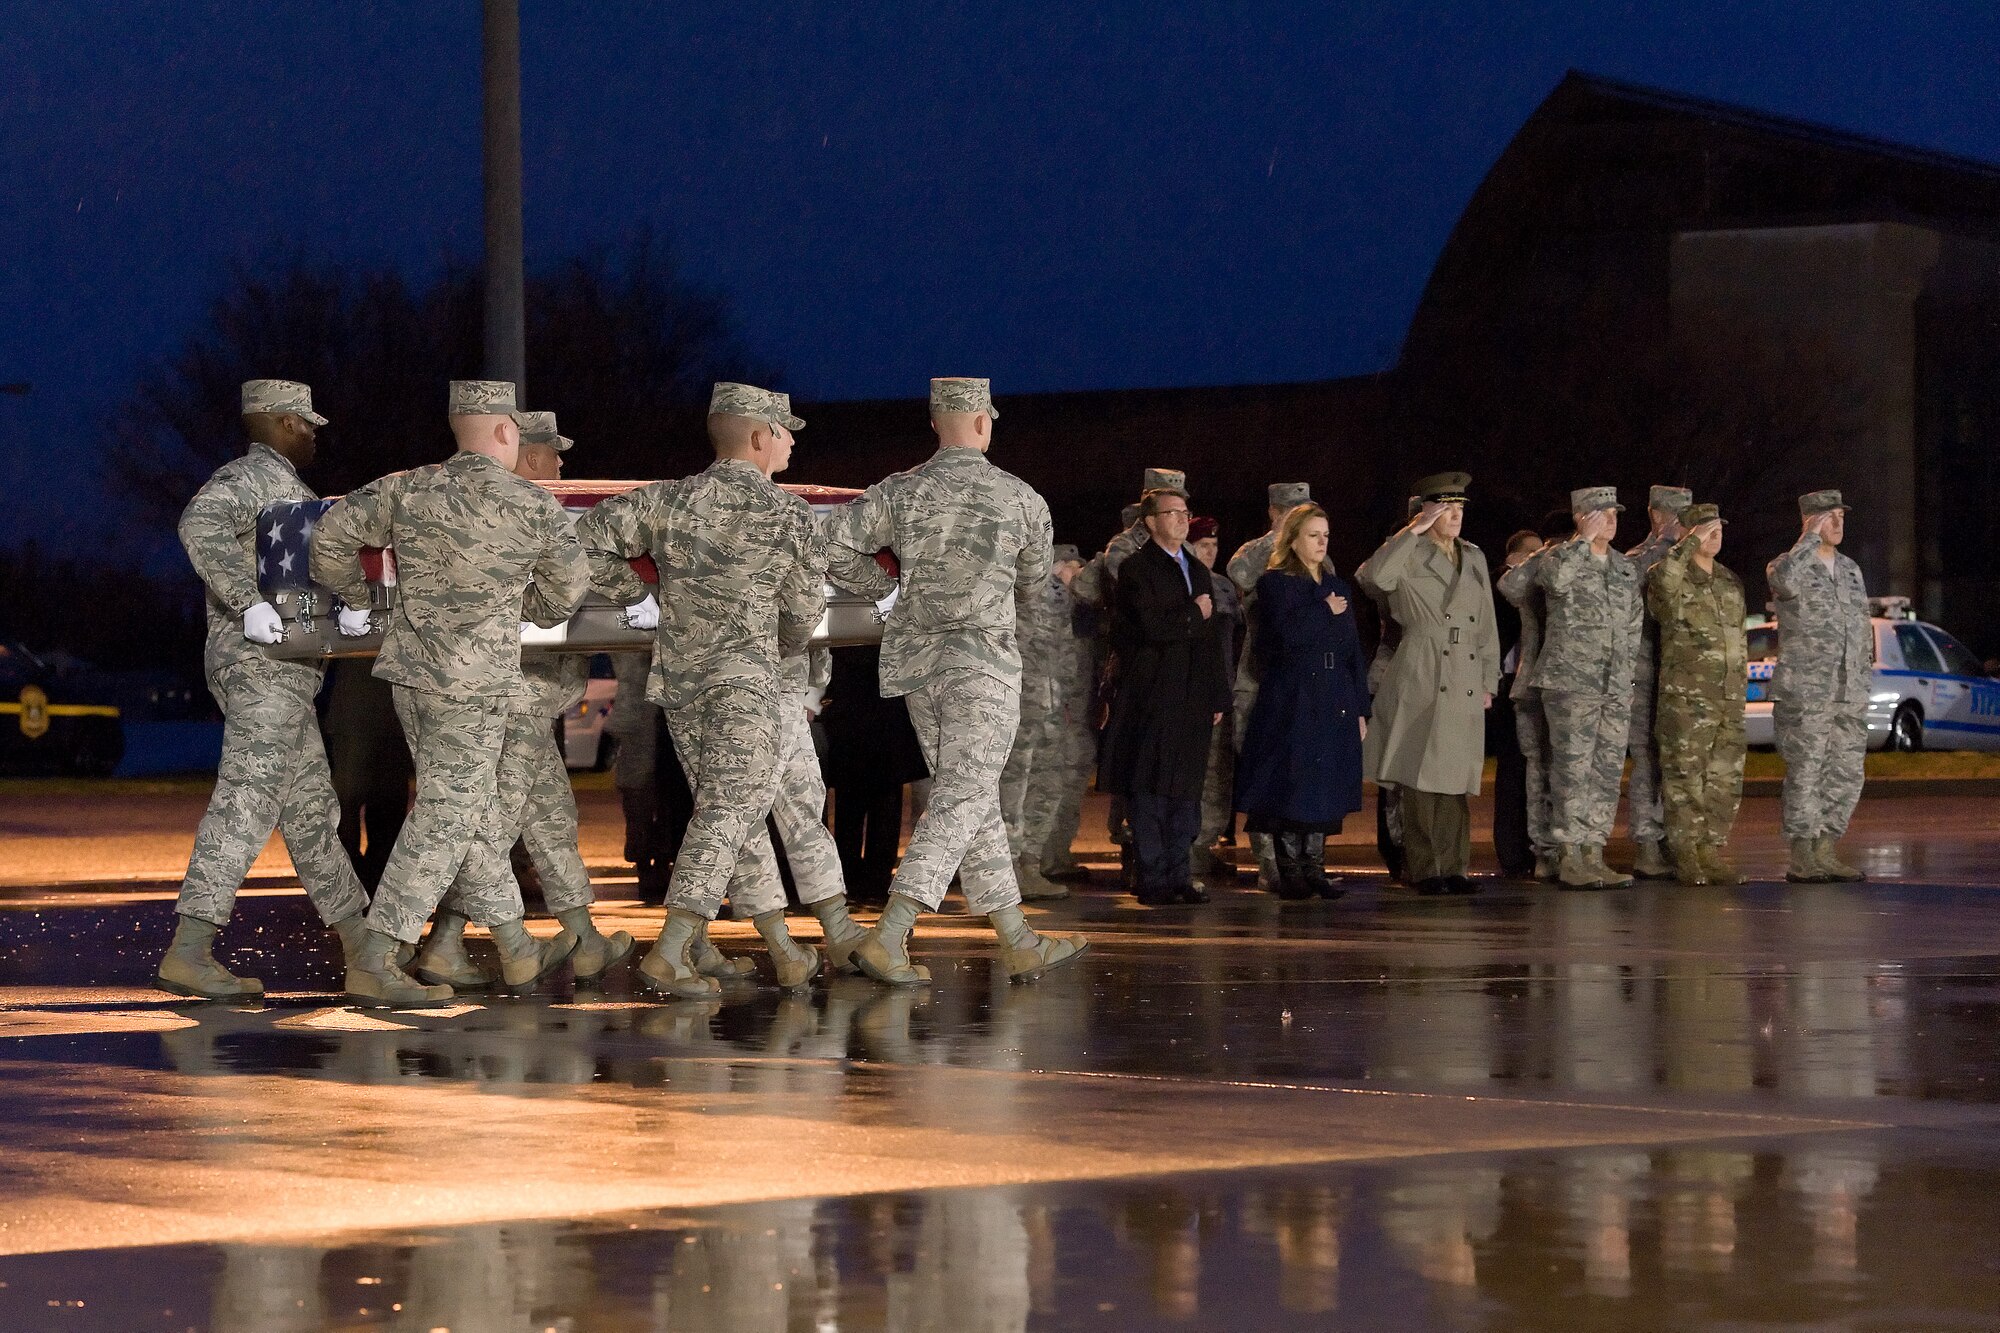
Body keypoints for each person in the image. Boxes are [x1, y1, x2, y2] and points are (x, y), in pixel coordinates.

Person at [311, 380, 592, 1005]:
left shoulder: (405, 488)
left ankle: (517, 947)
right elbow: (567, 592)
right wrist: (530, 610)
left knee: (460, 812)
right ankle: (379, 954)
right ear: (502, 431)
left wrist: (363, 600)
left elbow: (328, 537)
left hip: (413, 677)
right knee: (448, 815)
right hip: (476, 681)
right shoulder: (532, 505)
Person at [573, 382, 838, 995]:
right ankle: (670, 949)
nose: (792, 441)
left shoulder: (669, 500)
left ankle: (778, 945)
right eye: (785, 431)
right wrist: (784, 640)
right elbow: (802, 615)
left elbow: (587, 543)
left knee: (726, 812)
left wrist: (643, 597)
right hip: (747, 681)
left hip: (682, 681)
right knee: (728, 811)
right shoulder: (788, 514)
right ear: (758, 437)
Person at [823, 377, 1086, 984]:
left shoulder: (898, 492)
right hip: (982, 664)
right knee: (964, 796)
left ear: (935, 423)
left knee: (971, 797)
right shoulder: (1021, 499)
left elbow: (834, 545)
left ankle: (1017, 937)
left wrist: (889, 590)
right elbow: (1030, 585)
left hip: (917, 663)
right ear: (984, 423)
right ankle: (891, 934)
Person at [155, 378, 371, 999]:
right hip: (257, 667)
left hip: (287, 674)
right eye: (305, 424)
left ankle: (361, 942)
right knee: (246, 801)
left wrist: (342, 615)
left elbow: (298, 576)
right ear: (279, 422)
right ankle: (190, 948)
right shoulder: (248, 480)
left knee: (309, 814)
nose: (312, 435)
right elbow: (199, 525)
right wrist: (245, 601)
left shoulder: (291, 491)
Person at [407, 410, 633, 990]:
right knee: (494, 823)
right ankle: (447, 942)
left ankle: (581, 936)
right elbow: (573, 584)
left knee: (550, 819)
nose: (561, 465)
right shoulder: (517, 518)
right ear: (529, 456)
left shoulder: (520, 514)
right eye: (554, 454)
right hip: (511, 697)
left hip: (526, 696)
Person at [1354, 473, 1499, 896]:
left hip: (1465, 671)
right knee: (1418, 775)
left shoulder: (1472, 557)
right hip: (1422, 666)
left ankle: (1455, 867)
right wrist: (1412, 529)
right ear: (1427, 512)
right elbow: (1373, 578)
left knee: (1457, 777)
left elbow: (1486, 622)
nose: (1455, 517)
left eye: (1459, 509)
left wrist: (1488, 678)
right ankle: (1423, 867)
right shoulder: (1407, 550)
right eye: (1445, 509)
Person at [1096, 487, 1231, 905]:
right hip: (1153, 695)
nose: (1181, 519)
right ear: (1151, 522)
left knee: (1186, 790)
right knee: (1151, 787)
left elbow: (1209, 643)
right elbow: (1151, 627)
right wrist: (1195, 613)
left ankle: (1179, 874)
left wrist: (1216, 697)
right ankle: (1151, 876)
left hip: (1192, 696)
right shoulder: (1137, 569)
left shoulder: (1195, 567)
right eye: (1171, 513)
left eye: (1185, 512)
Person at [1233, 504, 1369, 899]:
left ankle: (1315, 867)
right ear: (1293, 539)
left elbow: (1352, 652)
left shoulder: (1336, 584)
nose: (1322, 542)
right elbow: (1282, 638)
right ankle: (1289, 869)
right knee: (1291, 780)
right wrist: (1322, 610)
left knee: (1324, 780)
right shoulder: (1276, 584)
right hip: (1293, 693)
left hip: (1333, 695)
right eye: (1313, 535)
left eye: (1326, 535)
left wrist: (1361, 707)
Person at [1520, 486, 1644, 890]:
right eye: (1601, 512)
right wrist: (1581, 541)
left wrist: (1626, 678)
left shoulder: (1625, 568)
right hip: (1571, 683)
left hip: (1613, 685)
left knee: (1606, 773)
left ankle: (1594, 851)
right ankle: (1569, 854)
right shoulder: (1559, 557)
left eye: (1614, 513)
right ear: (1581, 517)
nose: (1611, 519)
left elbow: (1633, 626)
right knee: (1571, 771)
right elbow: (1553, 583)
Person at [1767, 489, 1871, 883]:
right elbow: (1784, 582)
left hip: (1850, 689)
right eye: (1830, 517)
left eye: (1841, 516)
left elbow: (1860, 629)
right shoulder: (1788, 564)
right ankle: (1803, 853)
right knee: (1807, 770)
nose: (1838, 524)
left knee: (1846, 771)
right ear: (1810, 522)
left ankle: (1827, 847)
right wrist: (1808, 539)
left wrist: (1864, 678)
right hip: (1807, 689)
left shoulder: (1850, 569)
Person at [1646, 504, 1748, 885]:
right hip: (1687, 700)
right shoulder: (1669, 575)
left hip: (1728, 698)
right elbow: (1665, 592)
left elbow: (1738, 641)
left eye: (1718, 526)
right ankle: (1685, 852)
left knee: (1724, 778)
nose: (1715, 533)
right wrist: (1686, 547)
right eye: (1706, 528)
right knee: (1684, 778)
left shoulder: (1729, 581)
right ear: (1689, 534)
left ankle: (1711, 849)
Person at [1227, 482, 1312, 888]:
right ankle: (1269, 864)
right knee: (1262, 772)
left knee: (1296, 772)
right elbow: (1238, 573)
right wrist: (1279, 536)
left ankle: (1297, 860)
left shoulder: (1315, 558)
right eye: (1292, 514)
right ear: (1275, 514)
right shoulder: (1255, 552)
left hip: (1299, 681)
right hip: (1257, 679)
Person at [996, 539, 1077, 901]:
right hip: (1018, 703)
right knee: (1012, 788)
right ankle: (1008, 868)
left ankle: (1031, 864)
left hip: (1051, 704)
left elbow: (1066, 647)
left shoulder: (1059, 592)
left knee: (1048, 784)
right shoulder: (1006, 585)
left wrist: (1066, 697)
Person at [1624, 485, 1694, 880]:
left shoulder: (1692, 560)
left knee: (1679, 762)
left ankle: (1675, 838)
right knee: (1648, 760)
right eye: (1673, 514)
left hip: (1682, 676)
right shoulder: (1638, 560)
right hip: (1647, 674)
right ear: (1655, 515)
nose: (1680, 523)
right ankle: (1647, 844)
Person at [822, 642, 926, 903]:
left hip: (859, 701)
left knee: (858, 801)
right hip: (883, 699)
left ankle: (858, 878)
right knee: (878, 800)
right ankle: (871, 880)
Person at [1021, 547, 1099, 881]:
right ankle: (1029, 865)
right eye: (1068, 570)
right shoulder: (1034, 603)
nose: (1073, 578)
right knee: (1035, 789)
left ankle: (1049, 859)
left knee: (1060, 790)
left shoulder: (1079, 610)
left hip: (1068, 717)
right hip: (1039, 714)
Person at [320, 656, 410, 893]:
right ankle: (355, 887)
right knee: (346, 811)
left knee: (386, 815)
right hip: (360, 712)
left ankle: (368, 887)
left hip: (388, 716)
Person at [1487, 529, 1544, 879]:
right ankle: (1510, 851)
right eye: (1532, 553)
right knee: (1512, 771)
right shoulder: (1502, 585)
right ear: (1512, 557)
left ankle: (1524, 847)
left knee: (1526, 771)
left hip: (1523, 686)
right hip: (1506, 687)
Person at [1187, 517, 1241, 876]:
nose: (1210, 551)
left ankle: (1204, 844)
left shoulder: (1223, 586)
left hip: (1224, 688)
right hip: (1192, 691)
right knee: (1191, 772)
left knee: (1218, 774)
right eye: (1202, 544)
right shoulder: (1182, 580)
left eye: (1214, 545)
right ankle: (1184, 849)